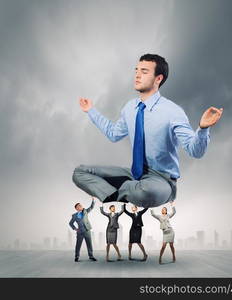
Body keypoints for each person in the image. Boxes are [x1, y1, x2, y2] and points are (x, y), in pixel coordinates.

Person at [73, 54, 223, 208]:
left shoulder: (173, 112)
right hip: (134, 175)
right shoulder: (129, 108)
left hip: (161, 180)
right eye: (136, 70)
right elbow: (113, 134)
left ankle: (114, 190)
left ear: (158, 78)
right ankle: (119, 192)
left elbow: (195, 151)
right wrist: (91, 111)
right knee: (80, 173)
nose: (137, 75)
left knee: (146, 192)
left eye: (144, 72)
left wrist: (203, 128)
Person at [69, 197, 97, 262]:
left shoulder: (85, 211)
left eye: (81, 205)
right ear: (76, 208)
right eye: (79, 206)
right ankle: (77, 256)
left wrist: (93, 200)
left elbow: (91, 207)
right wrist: (75, 229)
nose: (81, 206)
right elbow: (70, 223)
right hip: (80, 232)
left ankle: (91, 256)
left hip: (87, 230)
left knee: (89, 244)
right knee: (78, 245)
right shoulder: (74, 216)